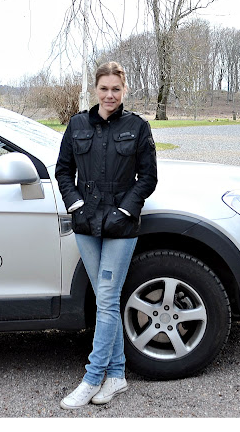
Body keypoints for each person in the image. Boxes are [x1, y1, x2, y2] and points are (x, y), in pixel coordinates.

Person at [55, 61, 158, 409]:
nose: (109, 95)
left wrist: (124, 211)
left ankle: (92, 377)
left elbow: (148, 177)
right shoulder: (77, 124)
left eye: (116, 89)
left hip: (120, 226)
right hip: (86, 223)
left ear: (124, 90)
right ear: (95, 90)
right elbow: (63, 170)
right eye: (104, 88)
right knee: (104, 300)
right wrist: (76, 205)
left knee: (109, 298)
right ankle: (116, 375)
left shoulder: (138, 127)